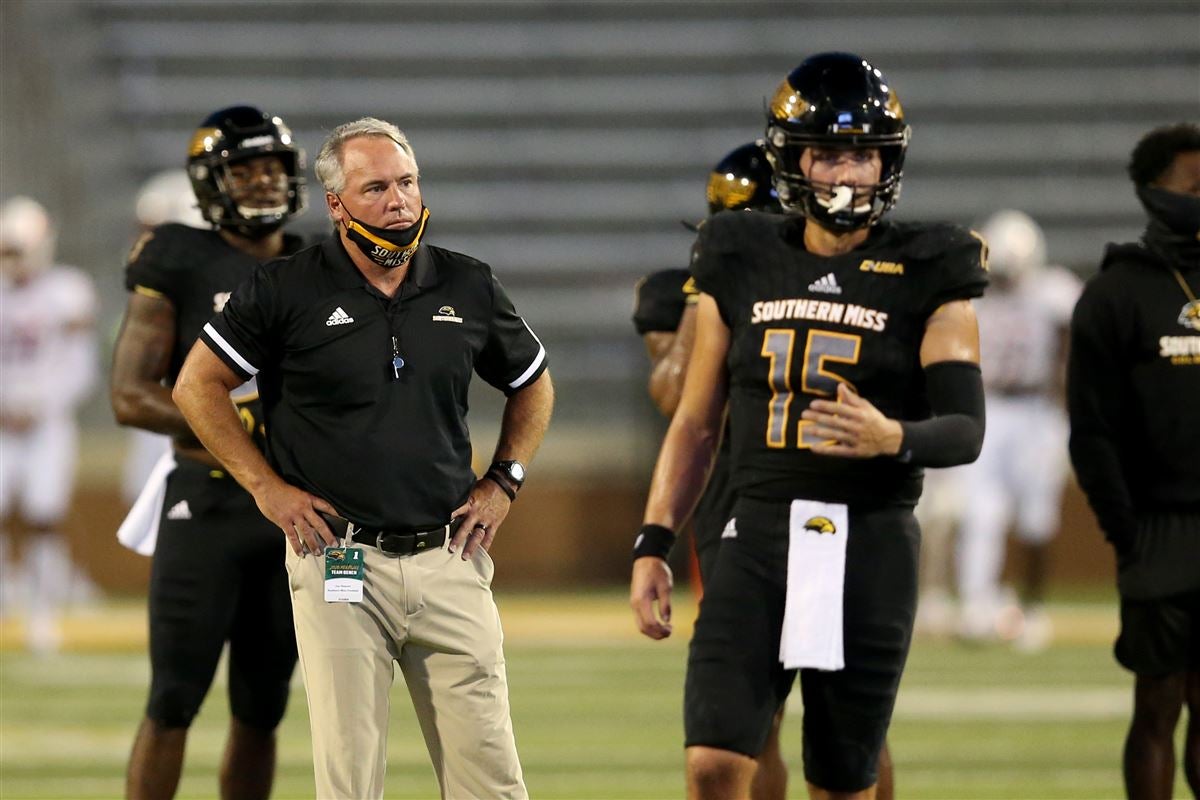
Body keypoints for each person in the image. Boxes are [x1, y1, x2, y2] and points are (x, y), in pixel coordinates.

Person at [629, 52, 987, 800]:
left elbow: (966, 426)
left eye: (864, 153)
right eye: (829, 152)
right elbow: (696, 420)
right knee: (714, 760)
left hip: (870, 536)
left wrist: (896, 438)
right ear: (794, 160)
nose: (849, 172)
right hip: (757, 529)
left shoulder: (933, 263)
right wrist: (653, 541)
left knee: (844, 780)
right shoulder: (740, 253)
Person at [172, 116, 553, 800]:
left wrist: (505, 479)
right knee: (349, 780)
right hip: (339, 557)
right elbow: (196, 384)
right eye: (376, 187)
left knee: (492, 780)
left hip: (449, 555)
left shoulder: (467, 284)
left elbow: (533, 382)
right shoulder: (286, 286)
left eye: (406, 182)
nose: (399, 200)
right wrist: (266, 487)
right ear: (337, 204)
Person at [110, 105, 308, 800]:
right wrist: (243, 429)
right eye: (243, 171)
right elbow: (130, 395)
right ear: (210, 182)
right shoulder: (177, 255)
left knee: (263, 710)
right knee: (173, 698)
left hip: (290, 514)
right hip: (210, 498)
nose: (260, 183)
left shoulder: (315, 265)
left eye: (272, 169)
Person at [1068, 122, 1200, 800]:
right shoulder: (1115, 293)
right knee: (1157, 705)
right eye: (1195, 186)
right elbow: (1090, 431)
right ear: (1154, 194)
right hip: (1159, 529)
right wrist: (1127, 532)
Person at [953, 209, 1082, 650]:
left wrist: (1065, 405)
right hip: (989, 407)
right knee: (981, 511)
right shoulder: (974, 293)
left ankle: (1033, 608)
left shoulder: (1054, 292)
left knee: (1036, 515)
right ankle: (976, 606)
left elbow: (1074, 346)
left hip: (1036, 412)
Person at [0, 195, 99, 653]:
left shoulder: (67, 291)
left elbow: (82, 365)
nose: (10, 260)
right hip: (2, 421)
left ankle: (41, 617)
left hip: (48, 422)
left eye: (15, 249)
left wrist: (41, 405)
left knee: (44, 517)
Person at [120, 169, 207, 508]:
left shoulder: (232, 291)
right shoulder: (150, 295)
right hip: (164, 421)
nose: (145, 244)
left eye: (156, 234)